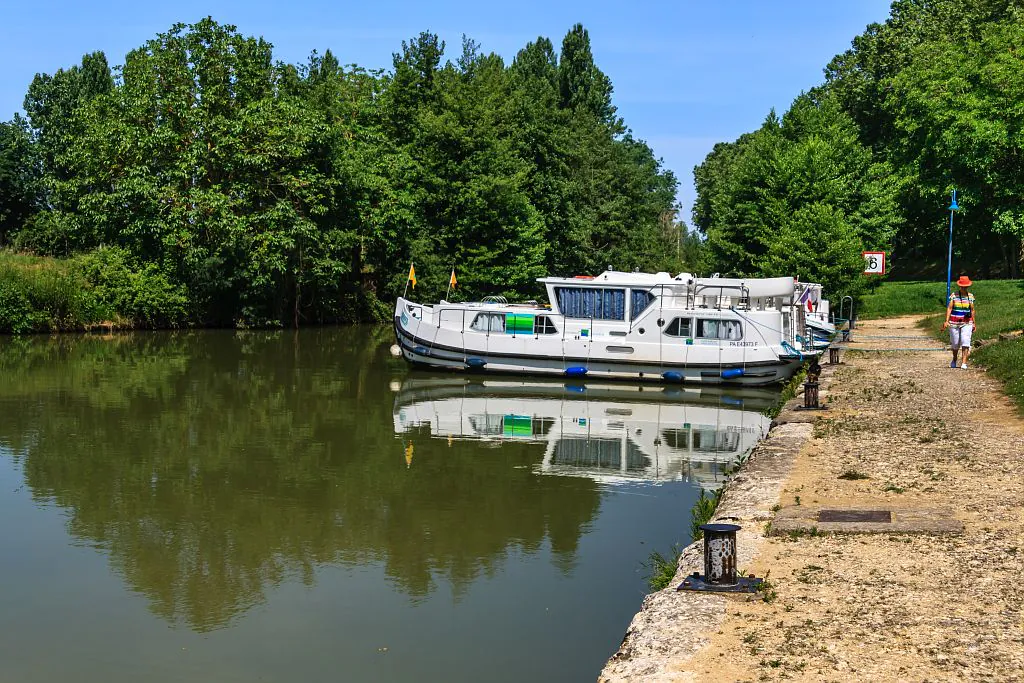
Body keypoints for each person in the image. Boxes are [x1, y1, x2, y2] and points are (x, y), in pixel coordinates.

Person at [941, 275, 977, 369]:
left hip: (967, 322)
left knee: (966, 341)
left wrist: (974, 323)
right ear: (960, 286)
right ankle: (954, 358)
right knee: (955, 343)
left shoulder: (970, 296)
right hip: (954, 322)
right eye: (962, 286)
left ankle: (964, 362)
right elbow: (949, 308)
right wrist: (946, 321)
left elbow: (972, 310)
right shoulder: (954, 295)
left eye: (965, 286)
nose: (964, 288)